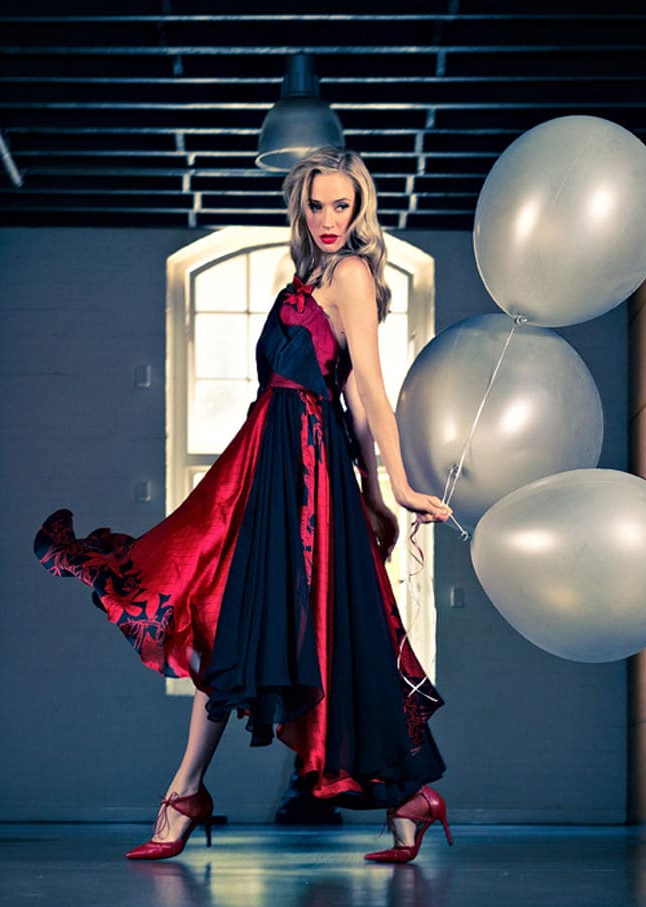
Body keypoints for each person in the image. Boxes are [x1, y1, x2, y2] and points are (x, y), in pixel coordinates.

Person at [34, 147, 453, 864]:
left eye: (342, 206)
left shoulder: (351, 274)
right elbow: (334, 389)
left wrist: (393, 489)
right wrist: (374, 493)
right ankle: (388, 800)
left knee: (293, 633)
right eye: (316, 204)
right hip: (267, 464)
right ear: (301, 206)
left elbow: (366, 395)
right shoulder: (306, 278)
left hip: (306, 476)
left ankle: (188, 797)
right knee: (232, 626)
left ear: (360, 211)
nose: (328, 219)